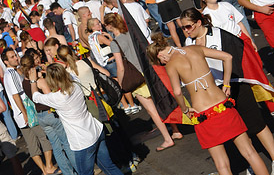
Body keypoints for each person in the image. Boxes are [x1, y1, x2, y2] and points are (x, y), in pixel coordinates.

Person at [147, 34, 269, 175]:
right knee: (250, 152)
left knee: (222, 164)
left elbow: (177, 92)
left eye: (161, 62)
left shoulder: (172, 64)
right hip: (223, 104)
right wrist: (226, 83)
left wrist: (185, 109)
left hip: (203, 114)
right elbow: (227, 57)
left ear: (160, 55)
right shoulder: (195, 48)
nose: (163, 63)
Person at [180, 8, 274, 171]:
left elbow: (238, 57)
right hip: (216, 94)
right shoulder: (189, 44)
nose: (185, 31)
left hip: (236, 84)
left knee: (256, 124)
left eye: (187, 26)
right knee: (239, 130)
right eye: (183, 28)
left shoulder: (219, 34)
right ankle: (253, 162)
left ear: (198, 23)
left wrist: (227, 83)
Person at [103, 13, 180, 150]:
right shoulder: (130, 34)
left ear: (109, 26)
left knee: (152, 111)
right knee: (161, 102)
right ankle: (175, 131)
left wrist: (120, 85)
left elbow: (120, 67)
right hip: (149, 72)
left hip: (136, 78)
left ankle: (167, 139)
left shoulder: (115, 43)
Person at [29, 63, 123, 175]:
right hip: (96, 130)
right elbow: (70, 74)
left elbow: (35, 96)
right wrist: (53, 68)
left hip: (83, 142)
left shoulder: (57, 98)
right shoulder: (75, 84)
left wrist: (33, 81)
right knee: (109, 167)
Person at [1, 48, 58, 175]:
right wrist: (26, 113)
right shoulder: (11, 73)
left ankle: (44, 169)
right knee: (43, 137)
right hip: (26, 113)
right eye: (12, 57)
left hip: (20, 115)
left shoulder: (10, 73)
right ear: (5, 61)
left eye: (15, 55)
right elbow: (17, 96)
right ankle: (48, 167)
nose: (16, 58)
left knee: (32, 144)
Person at [20, 55, 77, 175]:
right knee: (66, 143)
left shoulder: (25, 82)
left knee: (56, 146)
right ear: (33, 66)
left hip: (40, 116)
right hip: (50, 113)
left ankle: (68, 172)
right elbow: (50, 98)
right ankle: (78, 169)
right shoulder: (40, 82)